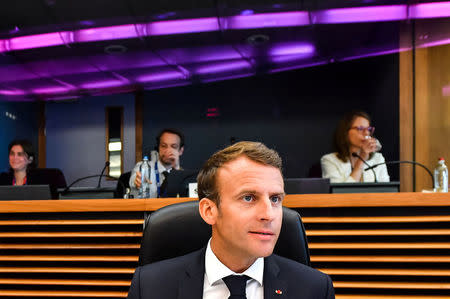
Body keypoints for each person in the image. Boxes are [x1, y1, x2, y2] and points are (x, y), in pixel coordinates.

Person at [127, 141, 335, 299]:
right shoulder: (150, 287)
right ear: (209, 211)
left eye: (275, 199)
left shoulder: (315, 289)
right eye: (248, 198)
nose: (269, 214)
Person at [321, 111, 389, 183]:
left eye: (369, 129)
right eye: (360, 128)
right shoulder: (330, 160)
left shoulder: (378, 159)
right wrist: (361, 159)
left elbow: (386, 191)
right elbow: (340, 192)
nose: (366, 133)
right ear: (346, 132)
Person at [0, 139, 67, 198]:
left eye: (20, 154)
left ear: (30, 159)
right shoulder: (2, 179)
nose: (15, 157)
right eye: (12, 154)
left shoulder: (43, 179)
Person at [129, 128, 184, 198]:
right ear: (158, 148)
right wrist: (136, 181)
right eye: (164, 146)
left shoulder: (184, 176)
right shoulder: (144, 166)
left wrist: (176, 169)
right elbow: (133, 180)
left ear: (181, 151)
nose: (168, 150)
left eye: (173, 146)